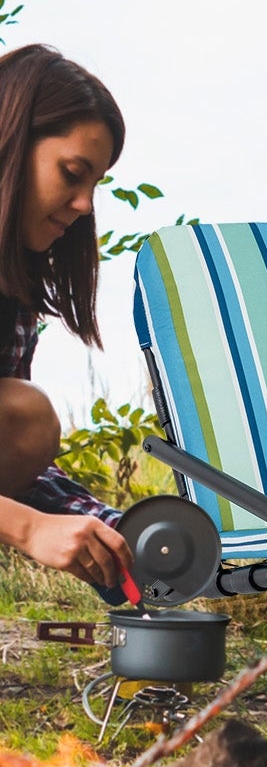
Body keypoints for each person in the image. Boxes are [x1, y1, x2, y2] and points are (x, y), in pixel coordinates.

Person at [0, 44, 133, 589]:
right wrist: (28, 529)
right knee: (27, 410)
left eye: (94, 183)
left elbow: (15, 459)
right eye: (72, 173)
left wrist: (115, 529)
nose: (84, 204)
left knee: (20, 418)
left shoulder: (15, 288)